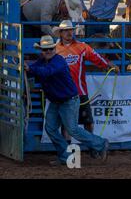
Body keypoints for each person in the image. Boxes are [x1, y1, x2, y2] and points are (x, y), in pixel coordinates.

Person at [24, 35, 109, 165]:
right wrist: (25, 67)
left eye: (51, 48)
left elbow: (46, 72)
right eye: (45, 49)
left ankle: (101, 143)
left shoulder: (58, 61)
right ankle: (66, 156)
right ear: (41, 50)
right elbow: (35, 70)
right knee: (51, 128)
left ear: (54, 49)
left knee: (72, 129)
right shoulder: (42, 61)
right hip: (56, 101)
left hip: (68, 100)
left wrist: (29, 68)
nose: (48, 51)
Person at [53, 20, 118, 139]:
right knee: (66, 124)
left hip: (79, 91)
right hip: (64, 92)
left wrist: (108, 64)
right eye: (66, 31)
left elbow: (96, 57)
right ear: (61, 33)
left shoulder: (81, 47)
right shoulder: (55, 50)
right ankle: (68, 151)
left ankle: (92, 146)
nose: (69, 33)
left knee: (88, 122)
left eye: (70, 30)